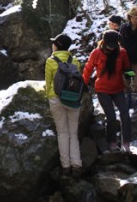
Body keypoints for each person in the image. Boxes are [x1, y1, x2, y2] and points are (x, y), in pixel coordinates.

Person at [82, 30, 132, 152]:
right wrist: (83, 84)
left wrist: (130, 77)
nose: (111, 48)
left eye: (114, 45)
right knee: (111, 116)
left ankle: (126, 141)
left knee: (125, 113)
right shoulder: (96, 53)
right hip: (102, 89)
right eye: (109, 45)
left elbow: (127, 68)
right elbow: (88, 69)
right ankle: (112, 141)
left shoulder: (122, 53)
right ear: (104, 42)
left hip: (118, 89)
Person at [45, 33, 83, 176]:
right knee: (73, 133)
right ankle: (77, 164)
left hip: (56, 99)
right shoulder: (75, 61)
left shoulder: (50, 61)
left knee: (62, 133)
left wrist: (49, 96)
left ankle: (66, 166)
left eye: (54, 43)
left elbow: (48, 83)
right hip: (73, 99)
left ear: (57, 46)